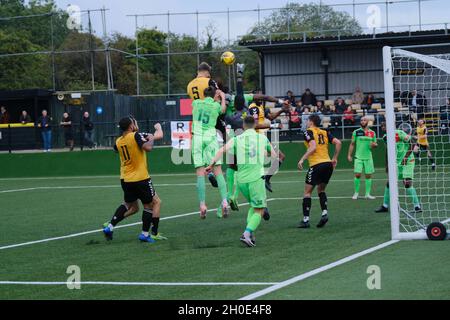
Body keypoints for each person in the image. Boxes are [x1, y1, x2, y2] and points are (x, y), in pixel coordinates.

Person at [206, 116, 278, 247]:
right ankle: (246, 233)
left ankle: (250, 234)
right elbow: (274, 156)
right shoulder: (261, 138)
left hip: (241, 180)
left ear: (244, 126)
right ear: (255, 125)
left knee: (253, 206)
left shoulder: (236, 138)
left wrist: (211, 165)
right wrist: (264, 155)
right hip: (256, 179)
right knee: (260, 210)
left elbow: (221, 150)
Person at [103, 117, 166, 242]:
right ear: (131, 126)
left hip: (126, 179)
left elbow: (116, 149)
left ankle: (110, 226)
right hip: (141, 178)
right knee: (149, 205)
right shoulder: (136, 136)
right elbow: (148, 147)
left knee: (128, 205)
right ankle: (145, 234)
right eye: (134, 122)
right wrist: (154, 133)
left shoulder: (119, 140)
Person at [297, 114, 342, 229]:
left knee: (307, 192)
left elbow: (313, 147)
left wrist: (302, 159)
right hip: (328, 164)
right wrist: (335, 157)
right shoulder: (325, 132)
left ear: (311, 122)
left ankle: (306, 220)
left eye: (307, 121)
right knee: (321, 190)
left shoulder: (308, 131)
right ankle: (324, 213)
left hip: (316, 165)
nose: (306, 123)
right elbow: (338, 143)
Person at [192, 86, 229, 219]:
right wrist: (222, 97)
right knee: (218, 171)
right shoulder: (216, 106)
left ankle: (202, 205)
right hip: (210, 138)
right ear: (214, 96)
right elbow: (223, 109)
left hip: (197, 138)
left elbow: (196, 98)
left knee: (200, 174)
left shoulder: (196, 103)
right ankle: (225, 202)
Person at [247, 92, 290, 193]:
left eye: (262, 97)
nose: (261, 98)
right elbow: (255, 125)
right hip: (256, 138)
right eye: (259, 97)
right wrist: (273, 126)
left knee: (280, 157)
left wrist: (282, 110)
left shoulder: (260, 106)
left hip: (262, 138)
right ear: (254, 97)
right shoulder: (254, 108)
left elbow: (270, 117)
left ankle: (266, 179)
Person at [187, 62, 220, 188]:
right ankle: (224, 168)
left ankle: (209, 172)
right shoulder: (209, 81)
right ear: (206, 71)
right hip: (210, 115)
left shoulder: (189, 85)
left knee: (200, 148)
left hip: (197, 119)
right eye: (209, 72)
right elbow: (217, 94)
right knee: (222, 140)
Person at [375, 123, 422, 213]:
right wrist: (387, 164)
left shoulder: (399, 133)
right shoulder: (385, 137)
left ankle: (417, 207)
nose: (383, 128)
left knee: (407, 183)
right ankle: (385, 206)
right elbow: (388, 151)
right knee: (389, 183)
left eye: (385, 125)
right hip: (396, 163)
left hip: (408, 161)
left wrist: (405, 157)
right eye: (382, 126)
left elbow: (412, 143)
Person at [347, 117, 378, 200]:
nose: (362, 121)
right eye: (361, 120)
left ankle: (367, 194)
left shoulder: (372, 133)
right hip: (358, 157)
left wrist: (374, 145)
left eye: (364, 120)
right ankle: (356, 193)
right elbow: (352, 144)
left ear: (368, 122)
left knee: (368, 176)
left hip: (368, 157)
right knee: (357, 174)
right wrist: (349, 155)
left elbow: (375, 144)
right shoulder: (356, 132)